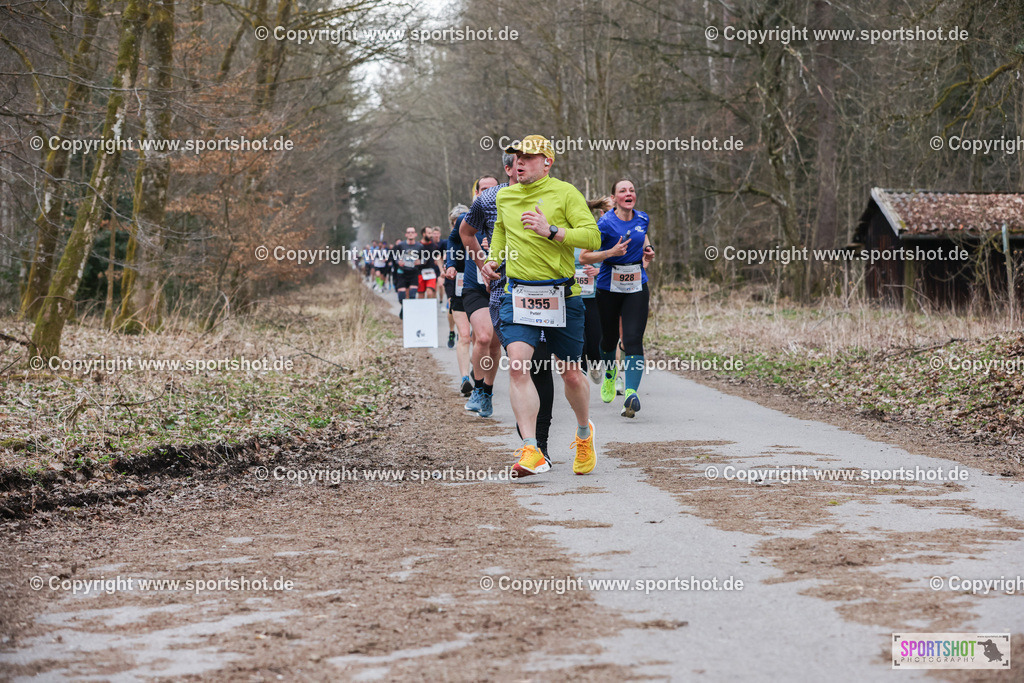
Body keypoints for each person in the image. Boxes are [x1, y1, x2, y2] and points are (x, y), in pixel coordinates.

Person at [480, 135, 600, 477]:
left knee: (571, 373)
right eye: (516, 156)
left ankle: (583, 433)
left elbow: (592, 238)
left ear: (547, 162)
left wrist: (553, 231)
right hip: (518, 296)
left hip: (562, 295)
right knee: (518, 367)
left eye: (529, 157)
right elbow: (501, 231)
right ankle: (532, 450)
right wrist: (494, 260)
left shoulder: (565, 193)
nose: (519, 162)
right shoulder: (505, 195)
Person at [581, 179, 655, 418]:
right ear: (614, 198)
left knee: (633, 338)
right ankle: (610, 374)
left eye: (632, 190)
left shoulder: (642, 218)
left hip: (636, 285)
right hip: (608, 286)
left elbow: (641, 235)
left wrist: (648, 249)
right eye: (623, 190)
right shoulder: (604, 224)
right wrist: (610, 253)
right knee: (609, 339)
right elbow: (584, 257)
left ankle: (631, 394)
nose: (628, 193)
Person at [460, 170, 505, 418]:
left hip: (501, 285)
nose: (488, 193)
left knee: (496, 345)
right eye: (483, 190)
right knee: (484, 337)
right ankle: (478, 388)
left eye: (493, 189)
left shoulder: (506, 217)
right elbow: (454, 245)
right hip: (475, 287)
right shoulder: (467, 220)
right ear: (476, 194)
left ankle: (488, 390)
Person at [445, 204, 474, 395]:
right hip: (457, 288)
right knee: (464, 335)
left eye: (464, 221)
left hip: (479, 289)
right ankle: (465, 378)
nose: (460, 226)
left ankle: (477, 370)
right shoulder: (452, 241)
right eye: (456, 223)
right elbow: (447, 258)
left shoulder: (480, 235)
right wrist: (449, 267)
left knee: (481, 339)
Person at [394, 227, 420, 316]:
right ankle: (403, 308)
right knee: (401, 297)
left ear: (415, 234)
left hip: (413, 273)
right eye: (408, 232)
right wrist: (398, 261)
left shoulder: (419, 246)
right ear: (406, 234)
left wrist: (420, 261)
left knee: (412, 296)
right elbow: (395, 257)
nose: (410, 234)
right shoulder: (400, 245)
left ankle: (410, 314)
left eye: (412, 232)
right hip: (402, 273)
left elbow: (425, 259)